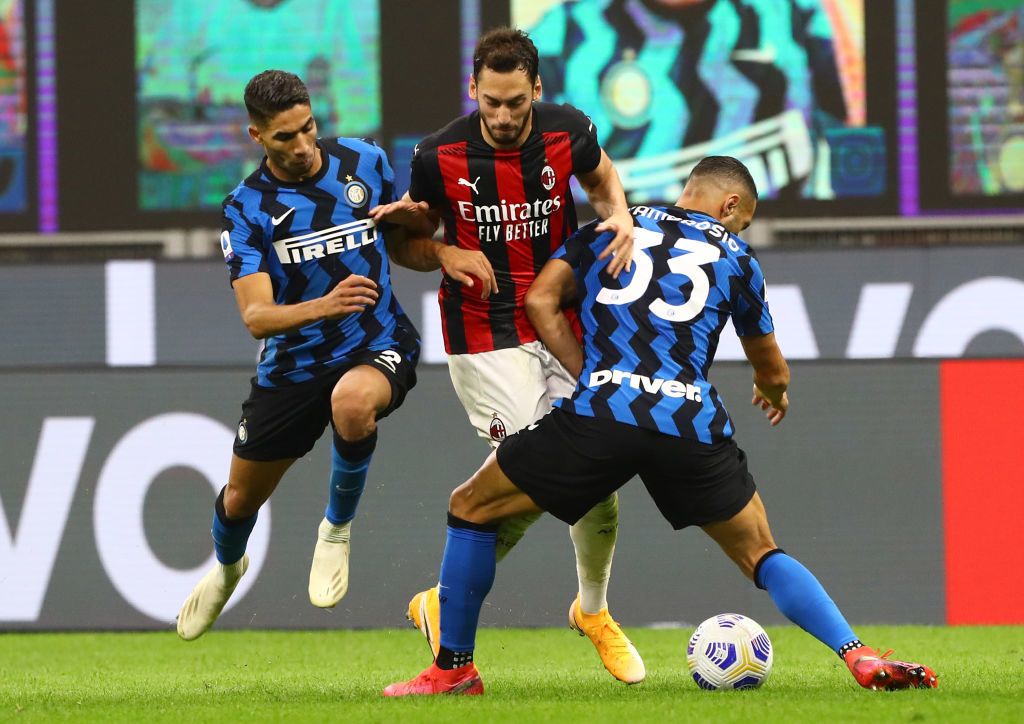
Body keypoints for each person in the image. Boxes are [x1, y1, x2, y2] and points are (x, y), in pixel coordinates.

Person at [382, 156, 938, 695]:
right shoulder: (738, 257)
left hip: (604, 412)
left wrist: (591, 375)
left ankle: (454, 671)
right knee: (762, 554)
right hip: (688, 423)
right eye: (742, 221)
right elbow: (772, 368)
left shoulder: (613, 228)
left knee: (471, 506)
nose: (739, 229)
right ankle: (857, 653)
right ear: (730, 205)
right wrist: (773, 393)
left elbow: (541, 299)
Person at [370, 26, 645, 684]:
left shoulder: (568, 129)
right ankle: (449, 620)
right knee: (541, 466)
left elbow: (602, 177)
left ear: (536, 90)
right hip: (484, 332)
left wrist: (620, 215)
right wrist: (443, 251)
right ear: (473, 89)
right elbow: (406, 245)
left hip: (565, 317)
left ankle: (591, 611)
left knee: (598, 474)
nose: (501, 115)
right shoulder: (437, 155)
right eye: (489, 101)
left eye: (515, 102)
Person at [176, 70, 429, 640]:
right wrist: (324, 305)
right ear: (257, 136)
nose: (302, 145)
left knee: (353, 404)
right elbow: (256, 317)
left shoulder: (365, 161)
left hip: (377, 342)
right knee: (239, 500)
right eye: (285, 137)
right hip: (294, 365)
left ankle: (336, 529)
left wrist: (437, 242)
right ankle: (227, 567)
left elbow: (404, 242)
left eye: (308, 128)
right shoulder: (246, 208)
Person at [526, 0, 861, 201]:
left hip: (770, 253)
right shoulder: (557, 40)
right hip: (610, 263)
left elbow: (857, 150)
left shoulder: (800, 16)